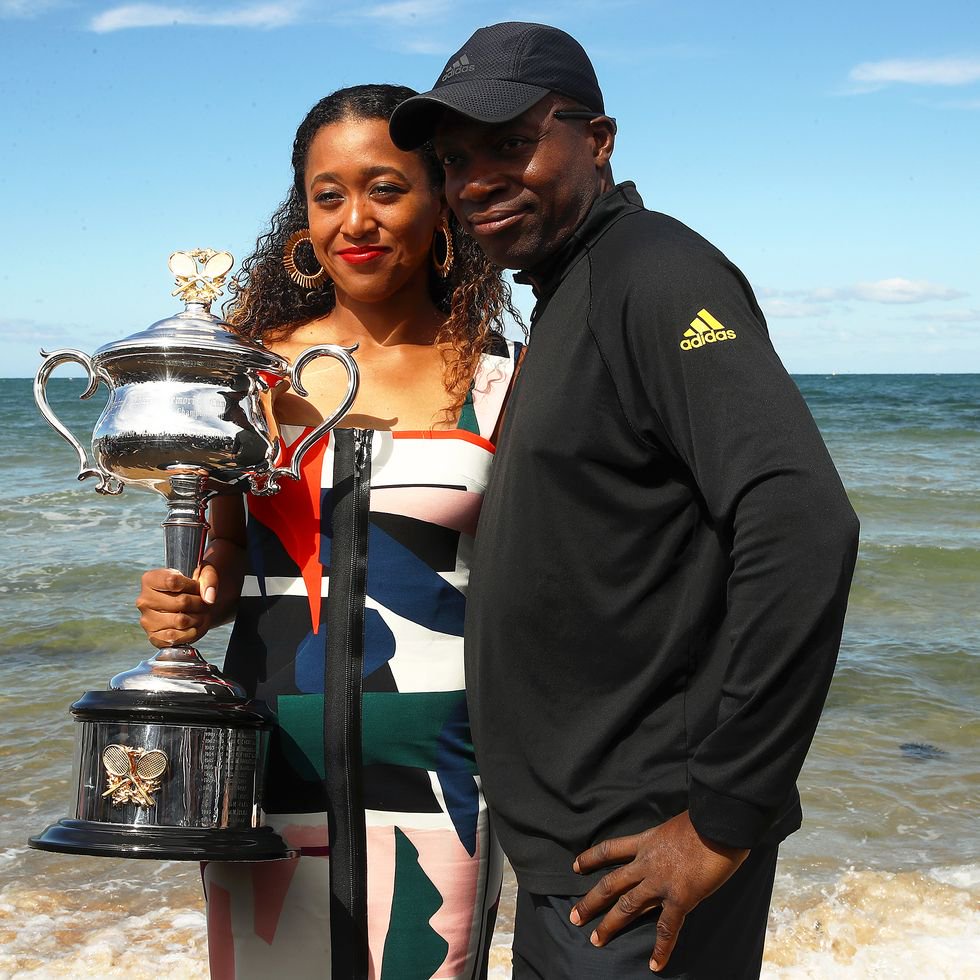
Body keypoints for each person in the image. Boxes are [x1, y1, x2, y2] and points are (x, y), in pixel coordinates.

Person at [389, 23, 860, 978]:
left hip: (644, 857)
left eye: (510, 144)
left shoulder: (655, 272)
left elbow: (801, 521)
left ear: (597, 140)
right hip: (580, 858)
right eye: (454, 160)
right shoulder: (573, 293)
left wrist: (723, 816)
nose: (475, 181)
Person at [136, 84, 524, 980]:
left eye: (387, 188)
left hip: (447, 771)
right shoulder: (246, 374)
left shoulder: (501, 379)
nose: (357, 220)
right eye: (329, 194)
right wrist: (191, 599)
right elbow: (227, 548)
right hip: (263, 768)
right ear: (302, 219)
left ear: (441, 203)